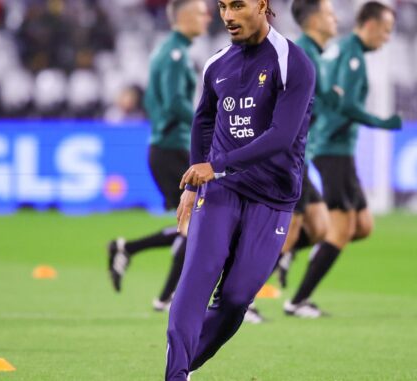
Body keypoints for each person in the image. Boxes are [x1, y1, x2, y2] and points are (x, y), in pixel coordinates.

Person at [165, 0, 315, 379]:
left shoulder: (292, 62)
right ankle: (175, 375)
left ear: (262, 5)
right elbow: (203, 122)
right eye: (221, 6)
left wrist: (215, 165)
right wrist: (194, 183)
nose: (228, 16)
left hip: (273, 196)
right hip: (220, 191)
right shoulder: (217, 65)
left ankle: (188, 364)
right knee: (195, 279)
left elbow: (281, 137)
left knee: (234, 300)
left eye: (237, 5)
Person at [285, 1, 402, 317]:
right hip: (331, 150)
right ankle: (297, 301)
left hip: (339, 151)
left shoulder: (342, 53)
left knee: (363, 226)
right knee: (343, 226)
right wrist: (381, 122)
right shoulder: (348, 54)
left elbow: (331, 99)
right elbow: (344, 105)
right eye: (387, 30)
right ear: (372, 25)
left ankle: (303, 255)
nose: (387, 38)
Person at [107, 0, 211, 312]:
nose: (208, 17)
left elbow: (159, 104)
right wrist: (208, 122)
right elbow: (175, 103)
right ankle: (166, 296)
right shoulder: (175, 55)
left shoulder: (168, 51)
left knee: (195, 223)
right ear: (185, 16)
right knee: (200, 222)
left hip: (166, 147)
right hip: (172, 148)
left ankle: (129, 252)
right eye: (202, 12)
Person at [269, 0, 340, 316]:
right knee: (289, 230)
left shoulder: (315, 55)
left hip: (301, 156)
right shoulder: (303, 55)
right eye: (329, 12)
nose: (334, 18)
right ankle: (243, 297)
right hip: (288, 156)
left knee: (321, 227)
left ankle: (269, 264)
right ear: (313, 20)